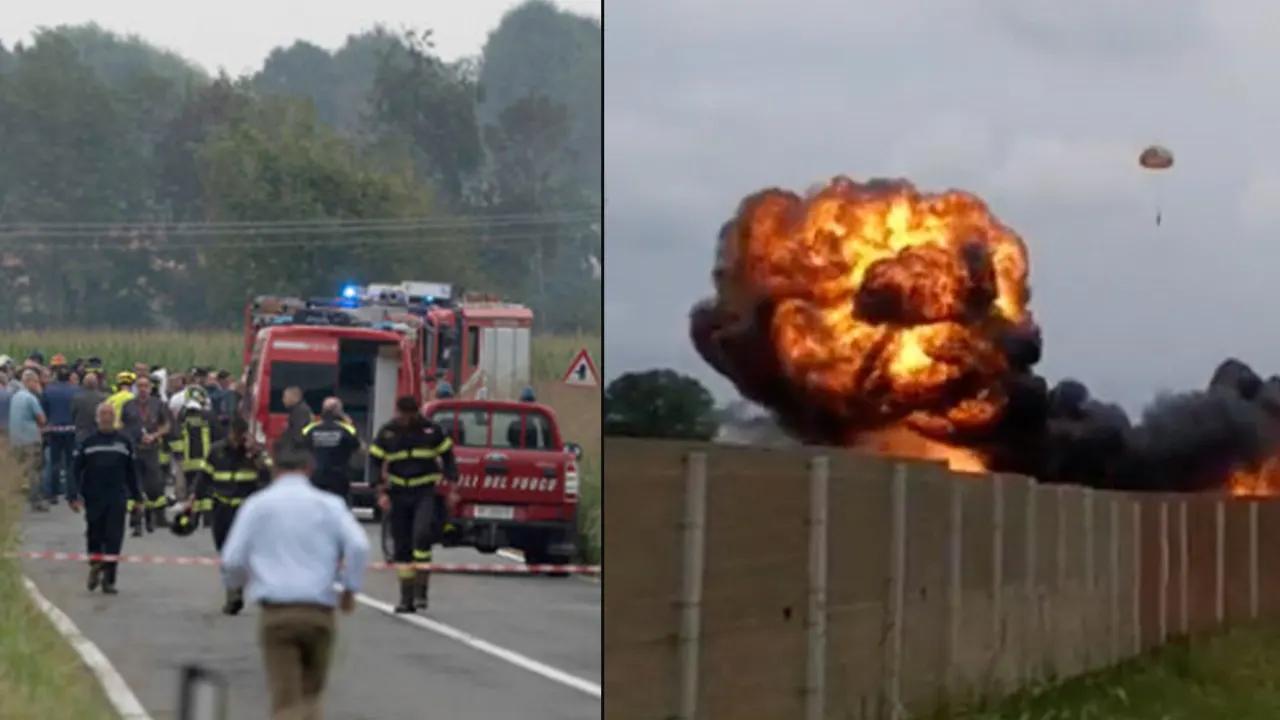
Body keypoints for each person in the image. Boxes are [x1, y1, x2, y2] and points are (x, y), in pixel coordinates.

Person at [220, 442, 368, 720]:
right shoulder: (329, 505)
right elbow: (359, 546)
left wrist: (240, 584)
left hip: (278, 614)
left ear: (274, 469)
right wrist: (350, 590)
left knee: (286, 702)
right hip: (319, 613)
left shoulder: (257, 505)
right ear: (309, 469)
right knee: (311, 698)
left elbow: (231, 560)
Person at [369, 396, 458, 613]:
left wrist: (452, 486)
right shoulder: (388, 432)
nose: (403, 419)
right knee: (402, 546)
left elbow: (448, 457)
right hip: (398, 493)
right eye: (400, 414)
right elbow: (374, 461)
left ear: (416, 413)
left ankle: (421, 592)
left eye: (408, 415)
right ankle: (405, 598)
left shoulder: (431, 431)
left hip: (424, 492)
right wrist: (379, 491)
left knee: (421, 535)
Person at [191, 416, 271, 614]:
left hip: (245, 510)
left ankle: (239, 591)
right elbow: (205, 476)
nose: (237, 440)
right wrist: (194, 498)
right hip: (222, 508)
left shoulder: (254, 452)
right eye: (235, 435)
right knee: (226, 552)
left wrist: (255, 454)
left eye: (241, 436)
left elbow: (268, 475)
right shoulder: (217, 450)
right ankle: (233, 591)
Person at [69, 402, 143, 595]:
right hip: (93, 496)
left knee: (114, 538)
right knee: (94, 533)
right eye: (103, 414)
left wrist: (138, 497)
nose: (106, 418)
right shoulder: (88, 441)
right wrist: (73, 495)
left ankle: (109, 580)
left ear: (115, 418)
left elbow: (132, 472)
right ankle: (95, 563)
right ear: (97, 418)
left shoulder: (124, 441)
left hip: (117, 496)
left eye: (110, 414)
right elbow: (76, 470)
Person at [123, 375, 172, 535]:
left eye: (146, 386)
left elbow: (166, 425)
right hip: (135, 450)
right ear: (136, 388)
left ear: (150, 388)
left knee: (153, 486)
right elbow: (123, 426)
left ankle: (151, 518)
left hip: (152, 450)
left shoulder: (158, 404)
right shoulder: (128, 405)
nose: (143, 389)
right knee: (135, 486)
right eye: (140, 386)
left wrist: (155, 435)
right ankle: (136, 522)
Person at [301, 398, 361, 502]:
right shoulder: (347, 429)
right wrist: (350, 424)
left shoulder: (309, 429)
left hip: (316, 476)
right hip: (338, 477)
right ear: (339, 411)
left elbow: (300, 448)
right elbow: (358, 448)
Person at [178, 386, 219, 526]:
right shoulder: (209, 416)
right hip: (205, 460)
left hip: (188, 461)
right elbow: (217, 436)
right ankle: (208, 520)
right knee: (207, 490)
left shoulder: (182, 416)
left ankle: (193, 518)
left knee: (192, 489)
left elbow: (176, 436)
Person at [9, 369, 49, 511]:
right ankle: (36, 501)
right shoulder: (30, 398)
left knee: (18, 471)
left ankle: (13, 500)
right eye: (36, 381)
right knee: (34, 470)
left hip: (16, 439)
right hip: (30, 439)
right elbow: (42, 419)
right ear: (29, 382)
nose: (37, 384)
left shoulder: (15, 397)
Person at [40, 364, 80, 503]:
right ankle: (71, 493)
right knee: (70, 462)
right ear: (69, 377)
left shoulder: (48, 390)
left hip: (53, 429)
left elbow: (44, 410)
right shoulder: (76, 390)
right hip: (71, 430)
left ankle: (53, 493)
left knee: (54, 462)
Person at [72, 373, 108, 443]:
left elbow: (73, 414)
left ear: (84, 383)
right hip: (98, 432)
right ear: (96, 383)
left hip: (81, 433)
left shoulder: (77, 398)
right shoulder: (103, 398)